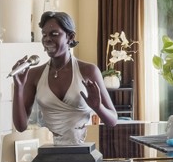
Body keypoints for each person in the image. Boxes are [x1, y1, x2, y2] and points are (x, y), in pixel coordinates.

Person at [9, 11, 119, 145]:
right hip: (50, 148)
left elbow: (112, 120)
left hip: (84, 149)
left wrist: (98, 107)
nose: (47, 39)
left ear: (70, 37)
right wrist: (18, 87)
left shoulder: (88, 71)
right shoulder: (35, 74)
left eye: (54, 34)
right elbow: (20, 127)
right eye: (44, 35)